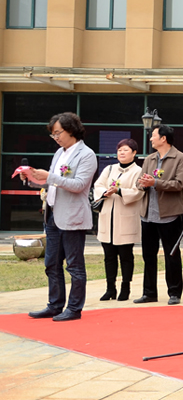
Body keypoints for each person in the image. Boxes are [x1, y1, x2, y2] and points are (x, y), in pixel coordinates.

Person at [27, 112, 98, 322]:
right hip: (53, 214)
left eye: (58, 133)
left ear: (71, 130)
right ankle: (55, 305)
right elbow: (52, 182)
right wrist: (31, 178)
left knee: (74, 266)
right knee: (51, 264)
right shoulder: (59, 153)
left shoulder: (87, 154)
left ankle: (74, 308)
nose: (55, 137)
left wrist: (49, 176)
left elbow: (79, 185)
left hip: (72, 216)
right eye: (53, 134)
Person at [136, 124, 183, 305]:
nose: (151, 138)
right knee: (148, 255)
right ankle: (149, 292)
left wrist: (155, 183)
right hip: (147, 215)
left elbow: (179, 184)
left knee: (171, 255)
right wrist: (143, 183)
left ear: (163, 138)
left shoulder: (180, 158)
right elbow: (138, 182)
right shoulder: (149, 159)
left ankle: (174, 292)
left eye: (154, 135)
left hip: (169, 215)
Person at [93, 139, 144, 302]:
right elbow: (98, 185)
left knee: (125, 256)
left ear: (134, 153)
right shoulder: (109, 169)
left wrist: (119, 191)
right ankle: (110, 288)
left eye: (126, 150)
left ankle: (125, 287)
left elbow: (138, 192)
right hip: (107, 218)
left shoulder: (138, 171)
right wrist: (105, 192)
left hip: (126, 219)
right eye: (120, 150)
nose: (122, 153)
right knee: (109, 256)